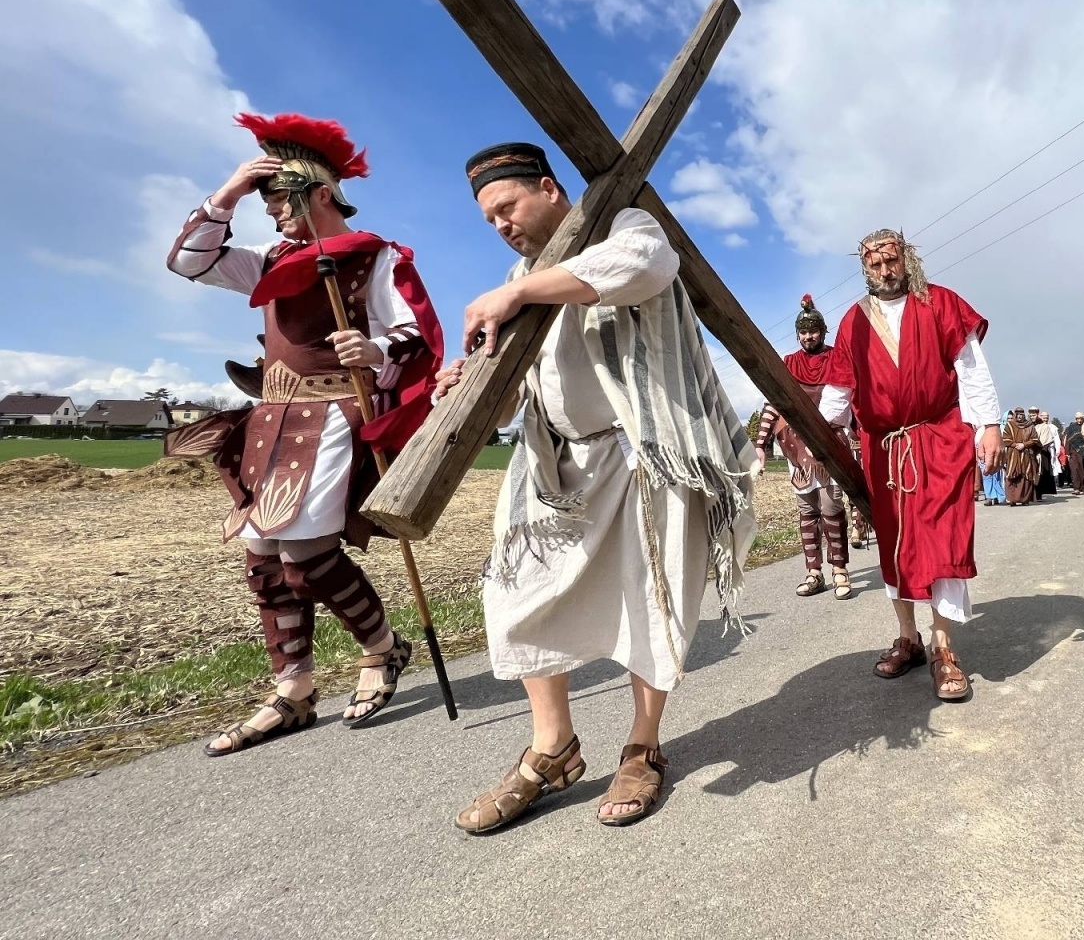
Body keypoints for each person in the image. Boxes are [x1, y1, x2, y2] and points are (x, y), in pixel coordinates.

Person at [445, 142, 758, 832]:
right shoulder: (518, 279)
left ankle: (643, 746)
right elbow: (505, 407)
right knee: (515, 594)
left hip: (648, 452)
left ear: (549, 189)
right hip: (559, 467)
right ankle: (553, 746)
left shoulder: (625, 226)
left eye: (507, 206)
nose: (500, 224)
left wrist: (521, 290)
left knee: (653, 599)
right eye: (488, 218)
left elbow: (648, 266)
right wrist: (465, 388)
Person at [165, 113, 442, 752]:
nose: (272, 215)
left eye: (279, 200)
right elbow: (186, 261)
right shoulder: (269, 259)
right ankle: (294, 690)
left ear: (319, 194)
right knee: (263, 559)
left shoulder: (375, 256)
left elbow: (417, 335)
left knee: (304, 553)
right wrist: (227, 192)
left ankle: (381, 650)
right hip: (271, 419)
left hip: (335, 418)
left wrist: (373, 351)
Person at [817, 229, 1001, 702]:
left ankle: (943, 647)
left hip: (940, 437)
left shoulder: (939, 303)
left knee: (944, 538)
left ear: (906, 259)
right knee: (895, 544)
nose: (884, 271)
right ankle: (909, 638)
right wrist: (817, 434)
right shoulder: (853, 321)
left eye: (891, 261)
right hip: (884, 448)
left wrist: (989, 425)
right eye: (874, 265)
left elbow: (971, 368)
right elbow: (839, 388)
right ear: (865, 269)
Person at [754, 294, 854, 600]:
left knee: (831, 508)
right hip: (795, 448)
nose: (808, 336)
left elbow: (850, 398)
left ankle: (840, 570)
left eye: (813, 330)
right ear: (798, 333)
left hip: (829, 444)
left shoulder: (837, 358)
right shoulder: (789, 363)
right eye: (803, 331)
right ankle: (814, 572)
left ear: (823, 331)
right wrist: (761, 443)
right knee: (807, 512)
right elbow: (774, 403)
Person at [1000, 407, 1042, 506]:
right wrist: (1015, 445)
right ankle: (1012, 499)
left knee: (1026, 475)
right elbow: (1005, 439)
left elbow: (1035, 439)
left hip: (1027, 454)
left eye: (1021, 414)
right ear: (1015, 415)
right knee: (1012, 474)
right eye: (1018, 414)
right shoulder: (1009, 425)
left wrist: (1024, 445)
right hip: (1013, 454)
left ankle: (1024, 499)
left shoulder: (1030, 426)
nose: (1019, 416)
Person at [1064, 412, 1084, 494]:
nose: (1079, 420)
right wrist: (1067, 452)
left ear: (1083, 419)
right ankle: (1076, 488)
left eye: (1080, 418)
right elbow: (1068, 441)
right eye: (1077, 418)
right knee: (1075, 470)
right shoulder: (1071, 427)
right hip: (1073, 452)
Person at [1032, 408, 1061, 497]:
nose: (1045, 419)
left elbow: (1056, 439)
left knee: (1043, 472)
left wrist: (1058, 449)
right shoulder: (1033, 425)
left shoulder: (1052, 427)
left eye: (1046, 417)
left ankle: (1040, 493)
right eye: (1043, 417)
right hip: (1035, 451)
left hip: (1046, 451)